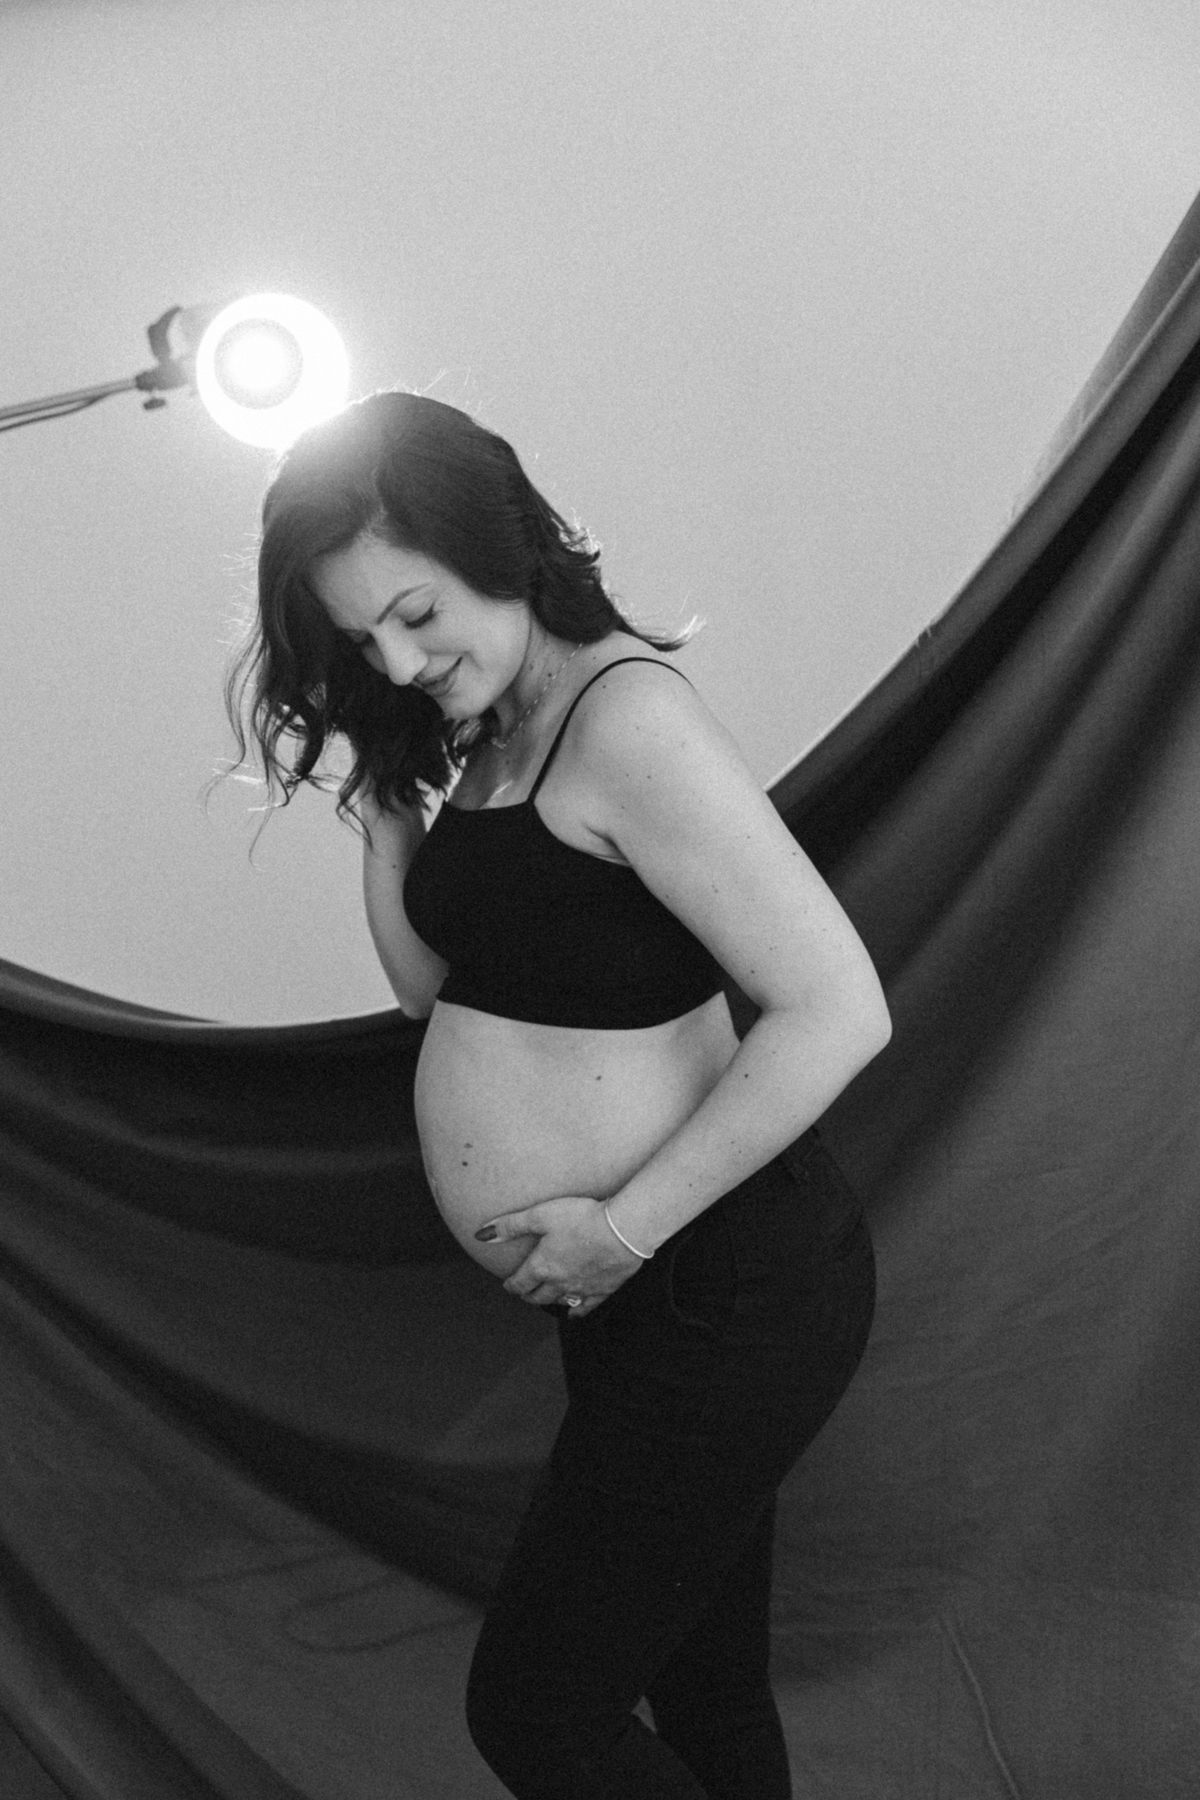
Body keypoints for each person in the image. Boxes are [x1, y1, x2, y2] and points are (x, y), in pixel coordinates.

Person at [225, 389, 891, 1799]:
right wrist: (386, 809)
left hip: (727, 1283)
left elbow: (840, 1009)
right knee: (704, 1690)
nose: (399, 661)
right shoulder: (494, 732)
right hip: (643, 1293)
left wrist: (624, 1230)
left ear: (504, 546)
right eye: (361, 640)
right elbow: (437, 992)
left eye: (416, 614)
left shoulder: (624, 720)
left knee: (536, 1716)